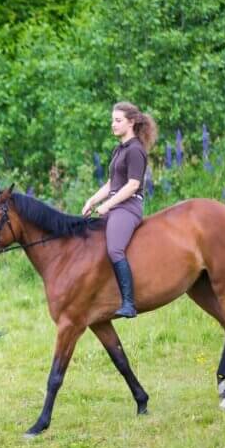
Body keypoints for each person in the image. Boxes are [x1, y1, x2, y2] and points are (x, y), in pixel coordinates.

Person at [81, 101, 157, 318]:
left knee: (114, 249)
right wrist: (92, 201)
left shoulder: (135, 150)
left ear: (131, 122)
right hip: (116, 204)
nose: (112, 125)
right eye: (112, 120)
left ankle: (129, 302)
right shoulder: (119, 149)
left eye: (117, 120)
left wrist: (107, 205)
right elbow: (111, 183)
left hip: (129, 206)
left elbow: (133, 184)